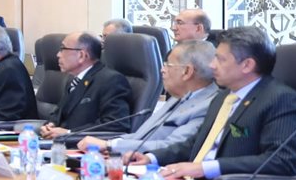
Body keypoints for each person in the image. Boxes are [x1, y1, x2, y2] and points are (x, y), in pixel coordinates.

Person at [145, 26, 296, 180]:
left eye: (220, 59)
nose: (212, 65)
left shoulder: (281, 100)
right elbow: (197, 143)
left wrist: (206, 168)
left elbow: (282, 161)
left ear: (247, 65)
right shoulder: (223, 97)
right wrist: (151, 157)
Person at [81, 40, 219, 157]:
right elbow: (140, 136)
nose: (162, 70)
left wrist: (110, 145)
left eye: (168, 65)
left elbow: (172, 147)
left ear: (187, 71)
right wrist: (108, 144)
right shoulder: (179, 97)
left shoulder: (209, 105)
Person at [39, 32, 134, 140]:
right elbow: (61, 113)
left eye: (63, 49)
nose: (58, 55)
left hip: (85, 147)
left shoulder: (111, 80)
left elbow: (116, 124)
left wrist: (69, 133)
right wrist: (50, 125)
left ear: (82, 55)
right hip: (60, 144)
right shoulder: (74, 80)